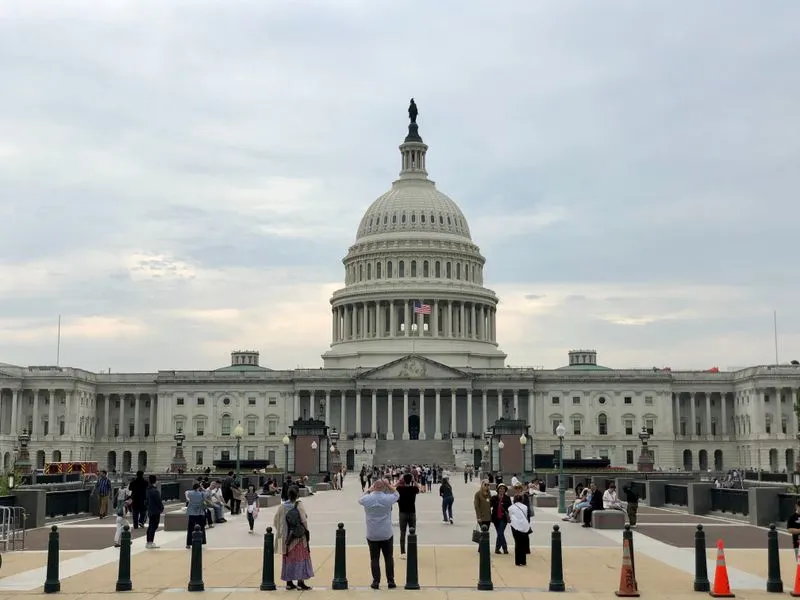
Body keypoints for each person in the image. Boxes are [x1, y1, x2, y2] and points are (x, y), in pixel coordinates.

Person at [358, 479, 399, 589]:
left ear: (374, 487)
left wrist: (368, 490)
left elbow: (360, 499)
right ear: (383, 487)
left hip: (372, 533)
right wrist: (389, 485)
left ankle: (376, 581)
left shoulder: (367, 499)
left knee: (374, 558)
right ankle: (391, 580)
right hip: (386, 533)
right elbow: (397, 494)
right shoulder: (387, 499)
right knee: (388, 557)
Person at [273, 486, 313, 590]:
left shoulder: (282, 507)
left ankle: (289, 582)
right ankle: (300, 581)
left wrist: (283, 533)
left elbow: (276, 521)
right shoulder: (299, 504)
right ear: (297, 494)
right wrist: (306, 531)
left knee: (288, 559)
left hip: (287, 539)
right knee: (300, 558)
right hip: (298, 537)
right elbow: (304, 520)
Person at [396, 473, 418, 557]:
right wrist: (414, 480)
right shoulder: (414, 489)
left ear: (403, 480)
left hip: (402, 512)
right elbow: (418, 487)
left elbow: (393, 488)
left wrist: (399, 481)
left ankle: (403, 552)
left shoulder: (399, 489)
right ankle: (412, 550)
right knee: (413, 533)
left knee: (402, 533)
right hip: (412, 512)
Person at [509, 494, 531, 566]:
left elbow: (510, 516)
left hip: (515, 526)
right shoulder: (525, 507)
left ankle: (518, 561)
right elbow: (527, 515)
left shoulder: (511, 508)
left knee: (517, 543)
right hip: (524, 526)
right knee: (523, 543)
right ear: (522, 500)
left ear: (514, 500)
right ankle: (523, 560)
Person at [185, 483, 209, 548]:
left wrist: (187, 498)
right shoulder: (202, 494)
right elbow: (207, 492)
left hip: (192, 513)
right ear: (199, 487)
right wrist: (203, 488)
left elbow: (186, 492)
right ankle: (201, 541)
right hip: (200, 512)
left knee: (190, 528)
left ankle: (188, 543)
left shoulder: (190, 493)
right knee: (201, 528)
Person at [490, 483, 512, 554]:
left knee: (500, 532)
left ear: (505, 490)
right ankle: (497, 549)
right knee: (500, 533)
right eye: (500, 488)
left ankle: (504, 548)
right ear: (498, 489)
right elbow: (489, 505)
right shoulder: (494, 498)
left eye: (503, 489)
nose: (502, 490)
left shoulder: (507, 498)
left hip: (504, 518)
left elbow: (510, 508)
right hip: (496, 518)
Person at [145, 474, 164, 549]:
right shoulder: (155, 491)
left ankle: (148, 542)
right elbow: (158, 501)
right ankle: (150, 542)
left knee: (150, 525)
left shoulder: (148, 490)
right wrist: (161, 508)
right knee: (154, 526)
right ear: (155, 480)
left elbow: (146, 501)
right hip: (155, 510)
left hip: (150, 509)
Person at [473, 480, 492, 545]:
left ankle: (482, 547)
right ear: (482, 485)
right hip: (481, 517)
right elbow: (476, 506)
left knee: (486, 533)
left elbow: (491, 503)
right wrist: (478, 517)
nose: (487, 486)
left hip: (488, 517)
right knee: (483, 532)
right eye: (485, 484)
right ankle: (482, 547)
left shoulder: (489, 494)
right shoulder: (478, 494)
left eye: (488, 485)